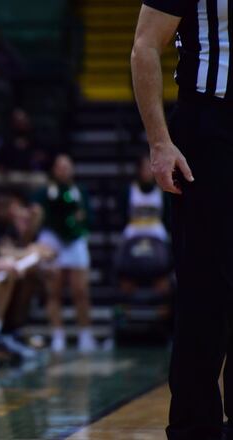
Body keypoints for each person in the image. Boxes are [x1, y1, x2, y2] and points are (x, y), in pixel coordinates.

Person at [132, 3, 231, 438]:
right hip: (209, 125)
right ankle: (194, 427)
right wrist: (159, 142)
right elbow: (145, 45)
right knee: (205, 287)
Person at [34, 154, 96, 353]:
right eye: (60, 167)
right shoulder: (44, 192)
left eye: (67, 166)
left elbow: (89, 217)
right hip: (52, 239)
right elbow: (39, 215)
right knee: (54, 290)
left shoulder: (80, 190)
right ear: (54, 170)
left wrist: (80, 220)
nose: (63, 170)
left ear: (73, 169)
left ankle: (85, 334)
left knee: (81, 291)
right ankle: (58, 335)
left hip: (75, 240)